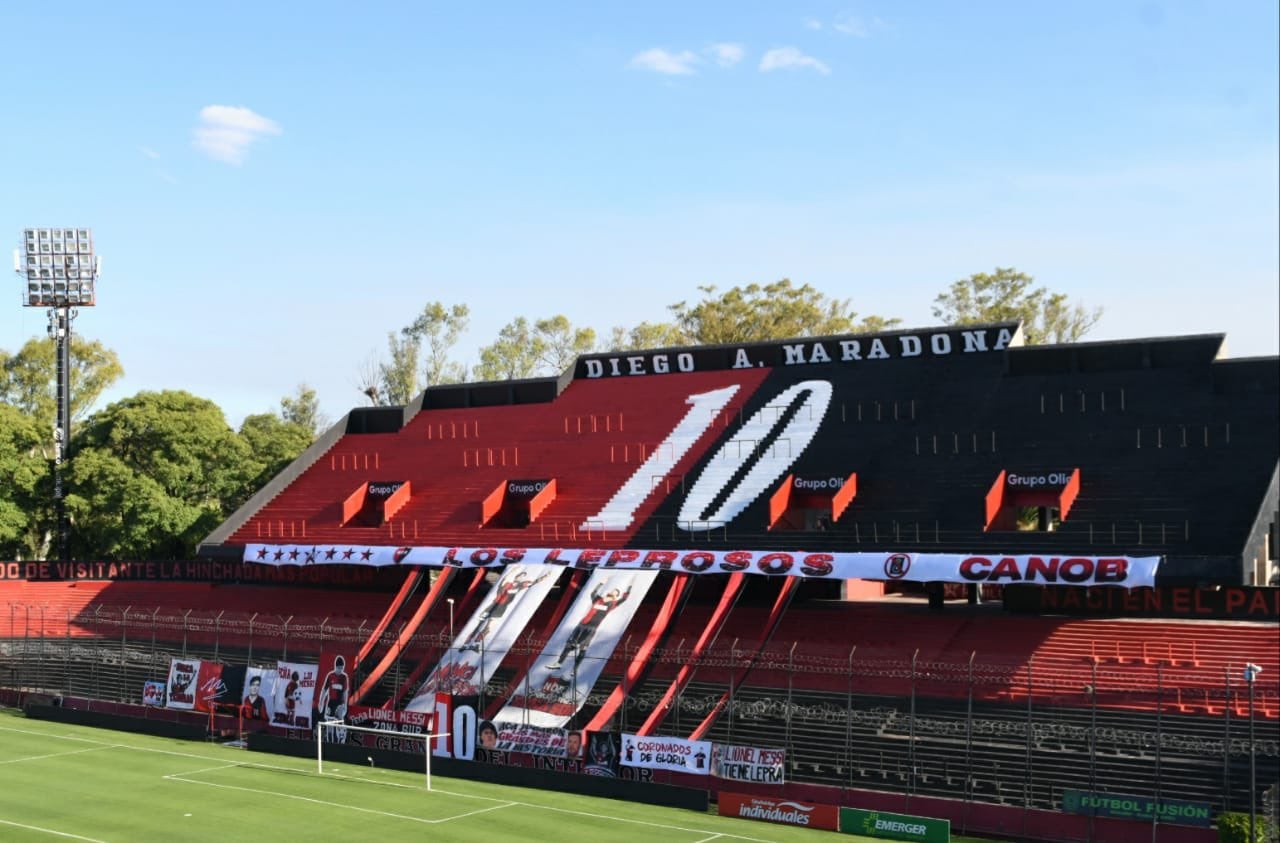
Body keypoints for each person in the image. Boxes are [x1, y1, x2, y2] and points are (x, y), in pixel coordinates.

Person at [547, 582, 632, 671]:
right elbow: (593, 593)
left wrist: (629, 587)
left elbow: (624, 599)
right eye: (612, 591)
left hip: (591, 627)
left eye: (615, 592)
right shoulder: (598, 599)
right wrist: (601, 583)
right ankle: (559, 663)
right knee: (569, 644)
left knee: (582, 648)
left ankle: (574, 669)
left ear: (616, 596)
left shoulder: (613, 604)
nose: (612, 592)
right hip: (582, 624)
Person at [460, 570, 549, 651]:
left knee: (488, 628)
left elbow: (533, 583)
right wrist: (514, 569)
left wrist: (545, 577)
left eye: (523, 577)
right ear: (516, 577)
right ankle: (465, 645)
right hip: (493, 606)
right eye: (521, 576)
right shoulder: (507, 584)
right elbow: (505, 579)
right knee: (478, 626)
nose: (522, 578)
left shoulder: (519, 586)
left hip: (500, 609)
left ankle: (475, 644)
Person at [317, 655, 349, 721]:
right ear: (336, 667)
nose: (341, 670)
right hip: (331, 702)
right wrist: (321, 702)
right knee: (328, 720)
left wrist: (345, 705)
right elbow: (324, 690)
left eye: (342, 668)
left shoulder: (344, 677)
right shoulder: (330, 675)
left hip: (340, 703)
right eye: (339, 668)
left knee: (338, 719)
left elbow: (345, 692)